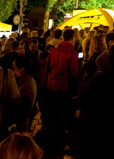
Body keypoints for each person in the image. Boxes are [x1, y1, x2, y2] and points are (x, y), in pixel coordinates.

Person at [40, 29, 77, 158]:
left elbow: (48, 67)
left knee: (52, 118)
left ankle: (50, 144)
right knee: (61, 119)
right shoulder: (72, 53)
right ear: (72, 38)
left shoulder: (54, 51)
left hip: (52, 87)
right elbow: (73, 72)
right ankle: (58, 147)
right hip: (64, 88)